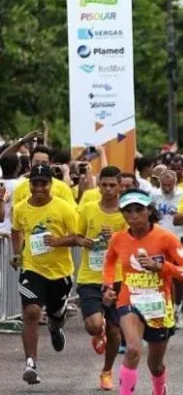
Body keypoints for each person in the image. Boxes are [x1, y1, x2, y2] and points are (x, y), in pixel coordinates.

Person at [103, 189, 183, 395]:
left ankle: (159, 388)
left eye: (139, 210)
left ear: (149, 211)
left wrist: (162, 268)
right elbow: (110, 262)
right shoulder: (118, 239)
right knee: (133, 350)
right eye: (128, 211)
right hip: (129, 300)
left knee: (155, 365)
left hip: (158, 305)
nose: (133, 215)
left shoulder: (166, 238)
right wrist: (109, 286)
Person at [11, 164, 78, 385]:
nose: (39, 188)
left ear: (51, 184)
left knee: (55, 316)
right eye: (35, 183)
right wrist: (16, 254)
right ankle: (30, 363)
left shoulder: (64, 208)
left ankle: (55, 326)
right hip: (32, 268)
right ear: (29, 184)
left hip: (60, 273)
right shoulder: (20, 207)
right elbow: (16, 229)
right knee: (31, 312)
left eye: (44, 183)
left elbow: (76, 236)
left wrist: (58, 241)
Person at [75, 166, 128, 390]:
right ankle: (99, 330)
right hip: (90, 277)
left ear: (119, 187)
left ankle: (107, 371)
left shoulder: (126, 213)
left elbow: (132, 244)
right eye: (104, 185)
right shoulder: (87, 209)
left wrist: (115, 238)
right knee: (94, 326)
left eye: (112, 185)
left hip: (117, 278)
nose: (107, 189)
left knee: (116, 331)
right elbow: (77, 237)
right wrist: (87, 241)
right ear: (99, 185)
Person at [150, 170, 183, 326]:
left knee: (178, 277)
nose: (166, 188)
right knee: (161, 275)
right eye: (163, 184)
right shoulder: (153, 195)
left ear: (175, 183)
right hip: (158, 240)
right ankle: (163, 309)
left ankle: (177, 310)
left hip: (178, 239)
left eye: (169, 185)